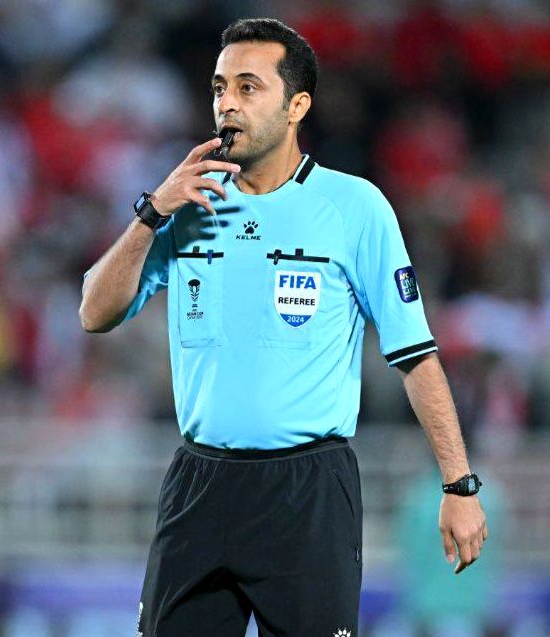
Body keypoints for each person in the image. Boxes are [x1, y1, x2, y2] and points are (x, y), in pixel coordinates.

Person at [78, 18, 488, 636]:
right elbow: (93, 312)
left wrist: (459, 485)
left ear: (297, 106)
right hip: (199, 483)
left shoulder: (354, 207)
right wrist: (151, 212)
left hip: (308, 489)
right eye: (219, 88)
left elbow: (415, 355)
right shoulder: (188, 203)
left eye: (248, 87)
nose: (227, 104)